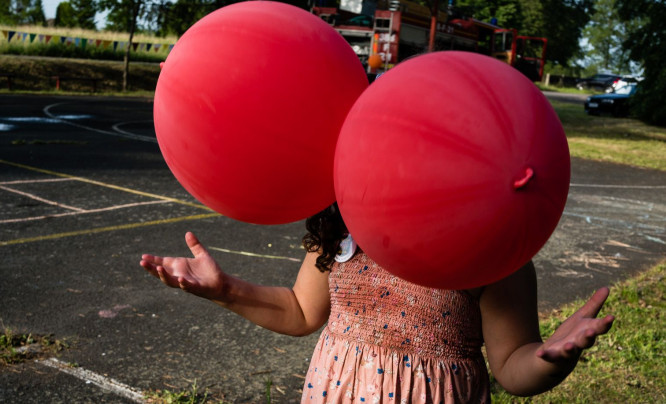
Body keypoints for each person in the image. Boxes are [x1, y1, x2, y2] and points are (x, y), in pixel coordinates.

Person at [140, 203, 614, 403]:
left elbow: (513, 366)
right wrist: (225, 290)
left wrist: (551, 358)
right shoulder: (343, 225)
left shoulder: (492, 252)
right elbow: (302, 311)